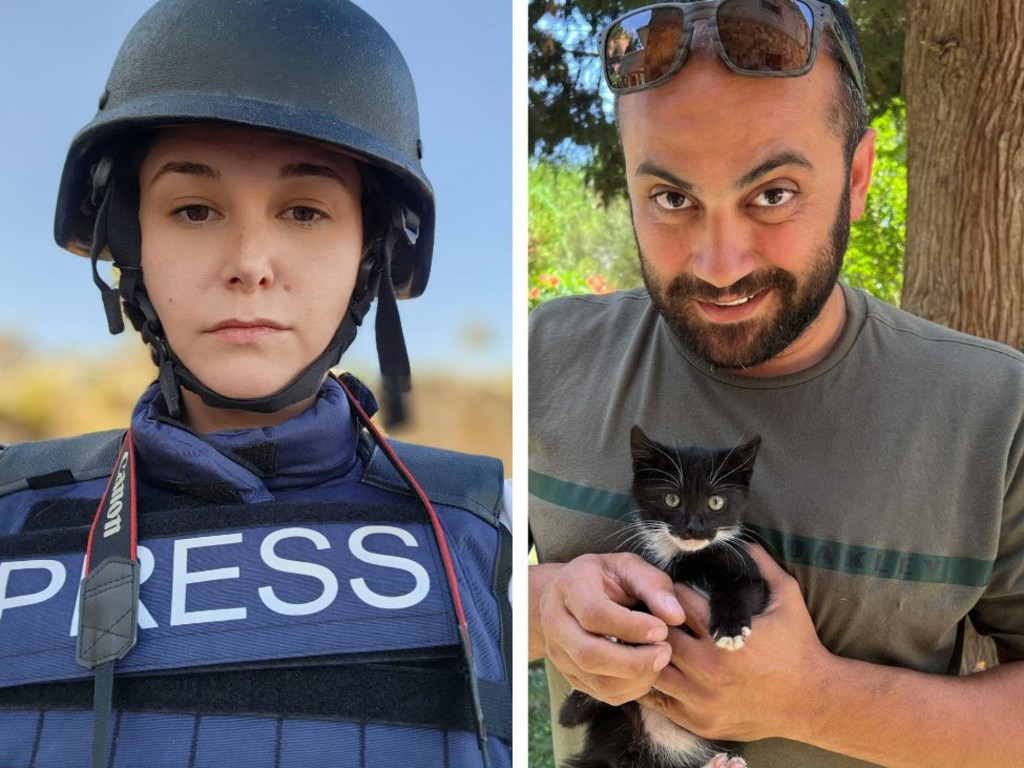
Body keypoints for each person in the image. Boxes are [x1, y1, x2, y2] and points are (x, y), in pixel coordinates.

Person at [0, 1, 511, 767]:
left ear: (371, 256)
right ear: (128, 240)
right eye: (195, 209)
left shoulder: (486, 525)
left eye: (304, 211)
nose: (250, 261)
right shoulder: (14, 512)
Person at [529, 1, 1024, 766]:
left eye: (774, 193)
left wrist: (815, 698)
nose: (719, 265)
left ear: (857, 177)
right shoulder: (541, 356)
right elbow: (433, 592)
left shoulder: (998, 411)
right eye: (670, 198)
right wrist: (540, 606)